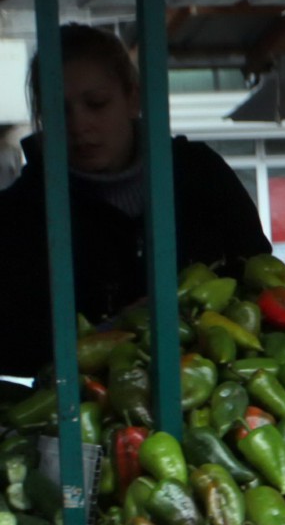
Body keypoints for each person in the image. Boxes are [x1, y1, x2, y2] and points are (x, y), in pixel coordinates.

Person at [0, 23, 270, 375]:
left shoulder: (200, 175)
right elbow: (10, 344)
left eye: (96, 104)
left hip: (216, 393)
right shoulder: (21, 214)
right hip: (82, 417)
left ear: (133, 98)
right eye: (58, 110)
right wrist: (111, 332)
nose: (79, 125)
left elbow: (262, 279)